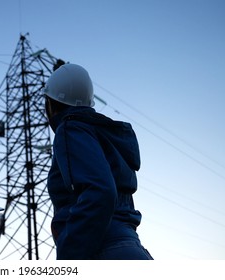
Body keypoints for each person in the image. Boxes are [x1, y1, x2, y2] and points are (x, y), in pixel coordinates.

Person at [44, 63, 152, 260]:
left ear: (50, 103)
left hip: (103, 250)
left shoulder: (71, 129)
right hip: (130, 248)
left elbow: (100, 190)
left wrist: (70, 257)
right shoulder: (103, 134)